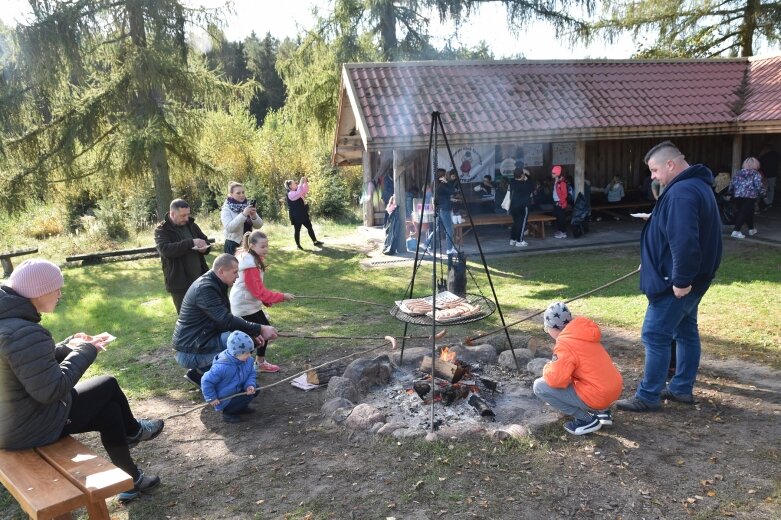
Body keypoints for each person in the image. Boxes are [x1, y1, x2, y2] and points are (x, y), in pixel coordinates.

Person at [0, 259, 164, 502]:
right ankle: (134, 431)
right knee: (107, 384)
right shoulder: (23, 331)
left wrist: (66, 347)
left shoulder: (10, 323)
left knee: (108, 411)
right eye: (56, 288)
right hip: (27, 428)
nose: (60, 294)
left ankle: (131, 481)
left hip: (14, 423)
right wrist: (87, 351)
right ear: (38, 292)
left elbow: (26, 365)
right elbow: (52, 390)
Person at [616, 141, 722, 412]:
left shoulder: (681, 193)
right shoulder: (694, 186)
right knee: (685, 331)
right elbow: (680, 228)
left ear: (671, 164)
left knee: (655, 334)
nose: (652, 176)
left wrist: (681, 280)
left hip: (677, 282)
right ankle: (681, 388)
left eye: (654, 170)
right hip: (692, 277)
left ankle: (648, 396)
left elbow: (685, 242)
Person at [172, 254, 278, 388]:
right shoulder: (206, 288)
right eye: (235, 272)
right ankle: (207, 376)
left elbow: (223, 320)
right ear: (221, 271)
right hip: (189, 351)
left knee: (245, 341)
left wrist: (251, 333)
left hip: (203, 341)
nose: (238, 277)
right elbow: (225, 320)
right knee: (238, 382)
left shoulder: (215, 283)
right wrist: (260, 329)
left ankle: (200, 373)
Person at [533, 302, 622, 435]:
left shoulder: (565, 344)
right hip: (613, 388)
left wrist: (547, 367)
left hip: (598, 395)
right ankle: (602, 412)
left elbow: (556, 380)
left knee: (539, 386)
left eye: (547, 329)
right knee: (581, 377)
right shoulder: (582, 334)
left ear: (553, 328)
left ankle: (586, 420)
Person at [230, 231, 294, 373]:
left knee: (262, 332)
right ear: (252, 246)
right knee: (259, 334)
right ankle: (238, 365)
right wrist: (281, 296)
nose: (266, 249)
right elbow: (258, 291)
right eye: (263, 246)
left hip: (249, 303)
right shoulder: (250, 264)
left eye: (267, 246)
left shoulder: (252, 258)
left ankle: (257, 362)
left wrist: (266, 300)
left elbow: (257, 290)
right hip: (244, 305)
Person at [154, 198, 211, 313]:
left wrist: (204, 248)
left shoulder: (191, 225)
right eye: (183, 215)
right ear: (172, 214)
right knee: (186, 316)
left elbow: (205, 241)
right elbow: (166, 250)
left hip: (200, 278)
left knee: (206, 313)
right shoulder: (161, 230)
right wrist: (191, 242)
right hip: (179, 282)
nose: (186, 218)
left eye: (188, 214)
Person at [201, 331, 258, 423]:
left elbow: (251, 373)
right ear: (235, 353)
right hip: (225, 397)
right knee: (247, 397)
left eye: (250, 352)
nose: (250, 355)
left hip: (238, 388)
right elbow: (206, 380)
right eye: (246, 353)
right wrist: (212, 398)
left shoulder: (248, 360)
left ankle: (241, 407)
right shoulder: (222, 367)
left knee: (256, 389)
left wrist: (249, 385)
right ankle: (228, 413)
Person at [221, 181, 263, 255]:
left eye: (243, 192)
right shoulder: (226, 208)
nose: (242, 195)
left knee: (249, 266)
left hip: (249, 243)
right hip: (233, 245)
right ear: (231, 194)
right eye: (238, 193)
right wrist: (243, 214)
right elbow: (229, 228)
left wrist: (253, 216)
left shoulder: (247, 206)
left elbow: (259, 225)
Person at [728, 157, 765, 239]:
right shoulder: (756, 174)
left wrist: (730, 193)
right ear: (756, 165)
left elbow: (732, 183)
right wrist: (763, 194)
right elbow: (758, 185)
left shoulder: (738, 172)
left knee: (749, 212)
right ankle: (736, 231)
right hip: (750, 196)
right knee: (744, 213)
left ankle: (751, 229)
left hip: (738, 196)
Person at [424, 168, 457, 255]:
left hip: (441, 208)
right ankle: (449, 249)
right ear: (442, 176)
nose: (447, 176)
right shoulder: (442, 185)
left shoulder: (436, 184)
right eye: (445, 174)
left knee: (438, 228)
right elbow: (452, 191)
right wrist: (447, 182)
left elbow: (445, 195)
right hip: (445, 209)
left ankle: (426, 243)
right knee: (449, 229)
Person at [285, 175, 324, 250]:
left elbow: (305, 190)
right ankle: (298, 245)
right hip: (296, 215)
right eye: (294, 184)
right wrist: (300, 182)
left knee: (310, 227)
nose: (296, 184)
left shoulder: (297, 191)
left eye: (296, 183)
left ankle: (315, 241)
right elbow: (299, 192)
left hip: (303, 214)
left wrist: (305, 182)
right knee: (297, 230)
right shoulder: (290, 194)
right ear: (290, 186)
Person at [508, 167, 534, 247]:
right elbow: (531, 187)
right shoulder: (526, 184)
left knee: (516, 223)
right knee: (522, 224)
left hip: (513, 206)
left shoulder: (512, 182)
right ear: (522, 175)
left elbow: (517, 178)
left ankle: (513, 239)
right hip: (523, 206)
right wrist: (526, 177)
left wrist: (523, 175)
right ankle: (519, 241)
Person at [758, 144, 780, 208]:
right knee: (771, 189)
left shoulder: (764, 155)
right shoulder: (776, 155)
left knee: (763, 188)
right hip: (773, 175)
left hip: (764, 175)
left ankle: (764, 202)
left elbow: (759, 162)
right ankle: (769, 203)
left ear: (767, 148)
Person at [551, 165, 569, 239]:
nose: (552, 174)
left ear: (557, 174)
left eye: (553, 173)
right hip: (556, 201)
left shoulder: (562, 183)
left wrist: (560, 202)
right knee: (558, 217)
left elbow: (564, 194)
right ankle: (560, 230)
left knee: (561, 217)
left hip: (560, 202)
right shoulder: (556, 181)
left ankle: (563, 232)